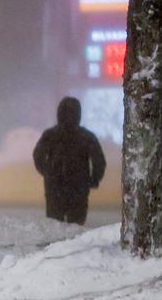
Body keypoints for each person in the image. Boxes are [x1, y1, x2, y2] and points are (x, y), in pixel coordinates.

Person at [32, 96, 107, 225]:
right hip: (79, 187)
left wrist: (47, 172)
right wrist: (94, 179)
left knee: (54, 225)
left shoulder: (50, 135)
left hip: (54, 187)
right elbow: (99, 160)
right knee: (76, 227)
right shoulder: (86, 136)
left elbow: (37, 155)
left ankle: (56, 245)